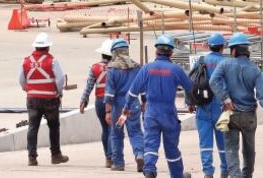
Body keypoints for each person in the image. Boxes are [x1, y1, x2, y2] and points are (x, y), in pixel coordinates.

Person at [120, 35, 194, 178]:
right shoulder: (176, 69)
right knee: (171, 147)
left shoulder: (147, 68)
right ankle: (177, 175)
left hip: (151, 113)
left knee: (150, 144)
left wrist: (127, 107)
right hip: (168, 114)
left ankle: (149, 170)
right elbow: (189, 88)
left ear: (156, 51)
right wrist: (190, 103)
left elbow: (133, 91)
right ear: (171, 53)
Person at [209, 32, 263, 178]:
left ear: (234, 50)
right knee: (249, 149)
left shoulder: (225, 64)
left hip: (231, 113)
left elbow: (213, 81)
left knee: (231, 149)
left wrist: (225, 99)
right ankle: (247, 175)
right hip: (249, 115)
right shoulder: (255, 69)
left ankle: (235, 175)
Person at [18, 32, 68, 166]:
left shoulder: (26, 61)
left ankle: (32, 157)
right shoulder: (52, 61)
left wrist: (28, 89)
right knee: (53, 126)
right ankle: (56, 155)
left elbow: (21, 80)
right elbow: (60, 79)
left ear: (35, 47)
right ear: (47, 47)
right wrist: (59, 92)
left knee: (33, 127)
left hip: (32, 99)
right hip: (50, 99)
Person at [103, 38, 144, 171]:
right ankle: (140, 154)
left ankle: (118, 163)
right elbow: (143, 88)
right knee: (136, 132)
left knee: (116, 134)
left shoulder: (112, 69)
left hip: (118, 106)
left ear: (114, 52)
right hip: (133, 104)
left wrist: (108, 112)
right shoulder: (137, 67)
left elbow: (109, 94)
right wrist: (144, 102)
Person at [194, 33, 229, 178]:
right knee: (224, 143)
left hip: (203, 106)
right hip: (222, 107)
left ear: (209, 46)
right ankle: (225, 169)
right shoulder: (227, 62)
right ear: (222, 47)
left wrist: (190, 102)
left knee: (205, 144)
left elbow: (192, 82)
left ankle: (208, 172)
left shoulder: (201, 61)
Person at [79, 39, 113, 168]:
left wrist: (83, 100)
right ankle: (112, 156)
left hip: (99, 101)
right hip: (113, 102)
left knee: (105, 129)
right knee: (112, 129)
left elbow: (89, 86)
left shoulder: (95, 67)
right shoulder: (116, 67)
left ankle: (108, 158)